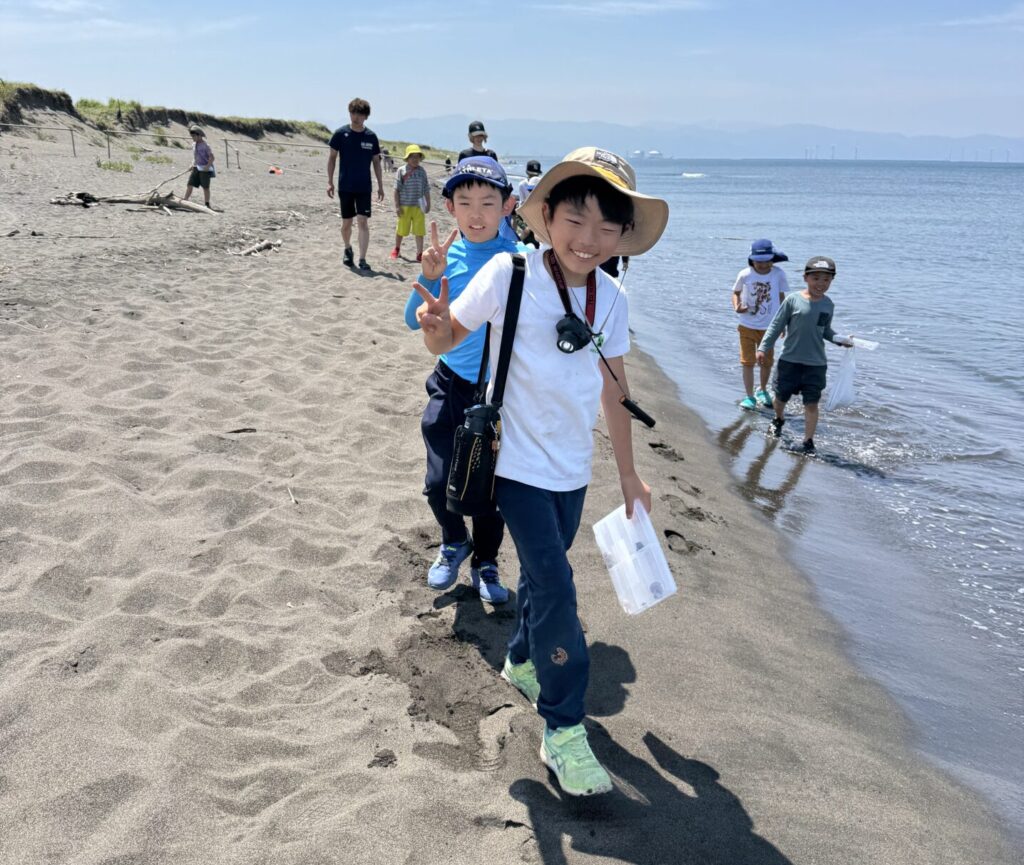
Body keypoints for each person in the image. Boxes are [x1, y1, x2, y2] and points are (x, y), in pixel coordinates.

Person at [412, 147, 668, 798]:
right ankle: (563, 728)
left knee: (539, 578)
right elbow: (447, 337)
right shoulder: (510, 273)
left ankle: (522, 659)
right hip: (515, 467)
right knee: (558, 589)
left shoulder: (611, 297)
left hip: (572, 471)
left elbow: (614, 389)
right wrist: (435, 325)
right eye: (575, 219)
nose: (588, 238)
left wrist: (630, 475)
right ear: (546, 215)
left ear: (622, 236)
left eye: (606, 226)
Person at [403, 157, 520, 603]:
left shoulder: (519, 260)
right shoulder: (444, 256)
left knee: (492, 488)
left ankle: (486, 561)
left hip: (499, 395)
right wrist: (428, 277)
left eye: (488, 202)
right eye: (465, 202)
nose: (476, 213)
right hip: (449, 383)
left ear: (507, 206)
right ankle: (454, 540)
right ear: (449, 206)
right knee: (438, 481)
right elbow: (411, 320)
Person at [756, 256, 853, 454]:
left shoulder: (828, 305)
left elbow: (825, 330)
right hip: (789, 361)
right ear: (805, 278)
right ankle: (779, 418)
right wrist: (763, 347)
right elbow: (776, 325)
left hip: (816, 364)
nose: (821, 283)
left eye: (826, 279)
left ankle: (808, 441)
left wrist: (839, 340)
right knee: (780, 398)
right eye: (816, 278)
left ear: (832, 281)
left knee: (812, 403)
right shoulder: (793, 300)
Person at [327, 97, 384, 272]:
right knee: (346, 223)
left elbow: (376, 162)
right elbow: (332, 158)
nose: (355, 117)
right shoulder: (340, 134)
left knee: (362, 221)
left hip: (364, 187)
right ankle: (347, 248)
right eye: (353, 113)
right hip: (345, 185)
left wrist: (380, 185)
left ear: (365, 116)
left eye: (359, 114)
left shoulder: (371, 137)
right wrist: (329, 182)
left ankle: (363, 259)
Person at [733, 239, 789, 410]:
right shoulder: (745, 274)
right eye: (759, 261)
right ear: (751, 260)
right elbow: (735, 293)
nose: (763, 265)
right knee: (747, 361)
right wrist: (737, 306)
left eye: (767, 261)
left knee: (766, 361)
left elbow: (781, 298)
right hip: (747, 325)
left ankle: (762, 390)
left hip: (769, 327)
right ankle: (749, 396)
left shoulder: (778, 274)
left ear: (773, 259)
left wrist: (783, 323)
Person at [391, 144, 431, 261]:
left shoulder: (422, 171)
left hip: (419, 206)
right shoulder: (401, 170)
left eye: (417, 157)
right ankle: (397, 248)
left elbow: (426, 188)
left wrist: (428, 203)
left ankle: (419, 253)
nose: (415, 159)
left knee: (419, 231)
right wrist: (397, 206)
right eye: (412, 156)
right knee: (401, 229)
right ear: (407, 158)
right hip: (405, 205)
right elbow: (396, 189)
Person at [182, 125, 215, 209]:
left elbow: (212, 157)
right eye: (192, 136)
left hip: (205, 169)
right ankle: (185, 199)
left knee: (205, 187)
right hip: (196, 167)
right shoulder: (194, 144)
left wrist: (207, 166)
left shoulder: (205, 145)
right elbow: (195, 157)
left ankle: (207, 204)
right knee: (190, 184)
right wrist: (191, 165)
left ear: (199, 135)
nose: (192, 138)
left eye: (194, 136)